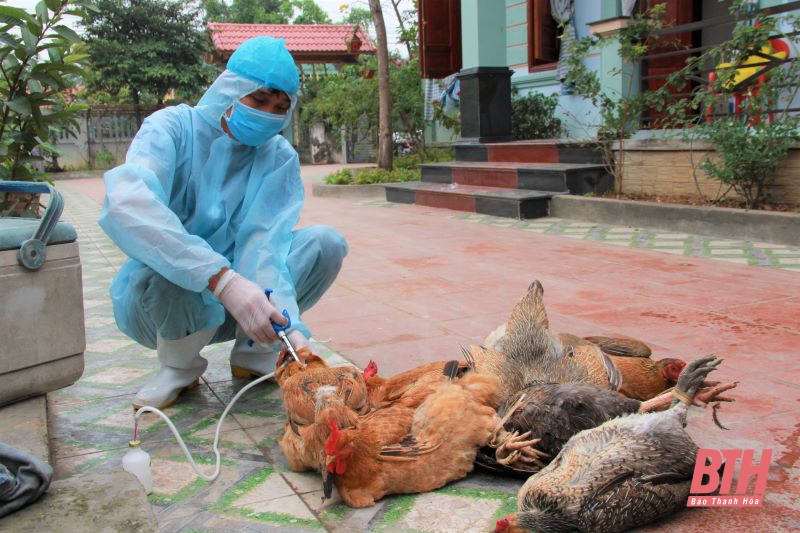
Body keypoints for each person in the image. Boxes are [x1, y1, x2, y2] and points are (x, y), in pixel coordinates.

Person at [99, 36, 348, 410]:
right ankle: (179, 365)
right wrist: (221, 278)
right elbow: (128, 204)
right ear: (231, 90)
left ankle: (257, 349)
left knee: (325, 243)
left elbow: (265, 243)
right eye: (259, 99)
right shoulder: (172, 128)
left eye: (280, 107)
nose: (268, 113)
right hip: (168, 303)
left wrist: (287, 326)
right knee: (170, 264)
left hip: (243, 303)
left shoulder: (277, 155)